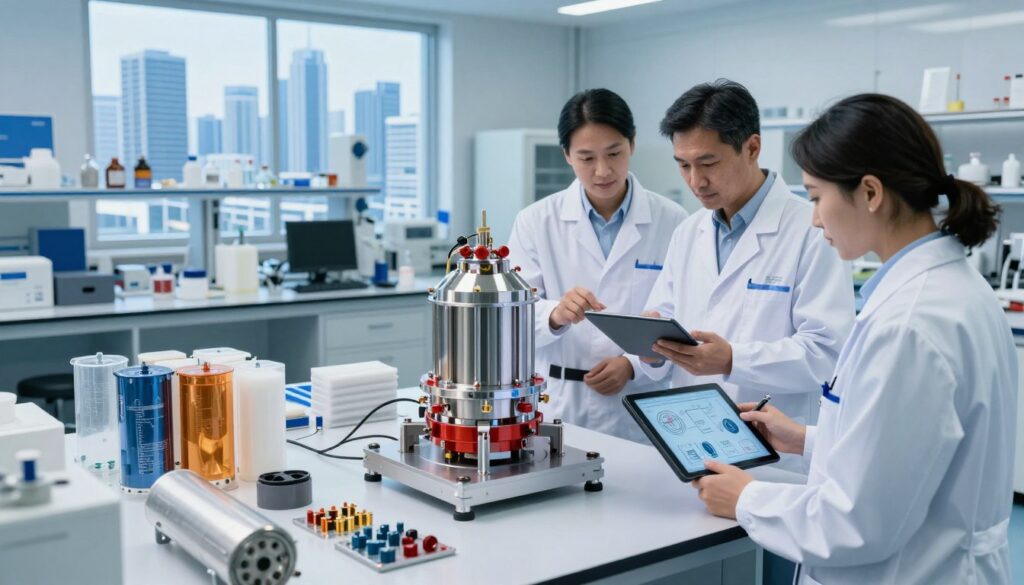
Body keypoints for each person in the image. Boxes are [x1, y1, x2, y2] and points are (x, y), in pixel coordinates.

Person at [692, 93, 1016, 585]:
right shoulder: (952, 289)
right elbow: (912, 449)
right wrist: (808, 440)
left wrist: (747, 498)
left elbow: (858, 523)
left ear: (869, 192)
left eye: (817, 196)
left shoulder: (910, 324)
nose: (815, 218)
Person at [638, 80, 854, 469]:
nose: (695, 181)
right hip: (690, 444)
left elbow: (827, 352)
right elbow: (664, 316)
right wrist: (650, 349)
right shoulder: (690, 232)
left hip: (773, 457)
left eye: (708, 163)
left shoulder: (812, 228)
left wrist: (733, 359)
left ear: (752, 147)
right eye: (683, 165)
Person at [507, 88, 689, 442]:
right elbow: (513, 318)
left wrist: (632, 365)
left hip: (641, 407)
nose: (603, 171)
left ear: (632, 144)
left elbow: (683, 314)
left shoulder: (673, 220)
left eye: (614, 153)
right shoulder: (535, 221)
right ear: (567, 156)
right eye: (586, 158)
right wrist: (555, 314)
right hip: (561, 403)